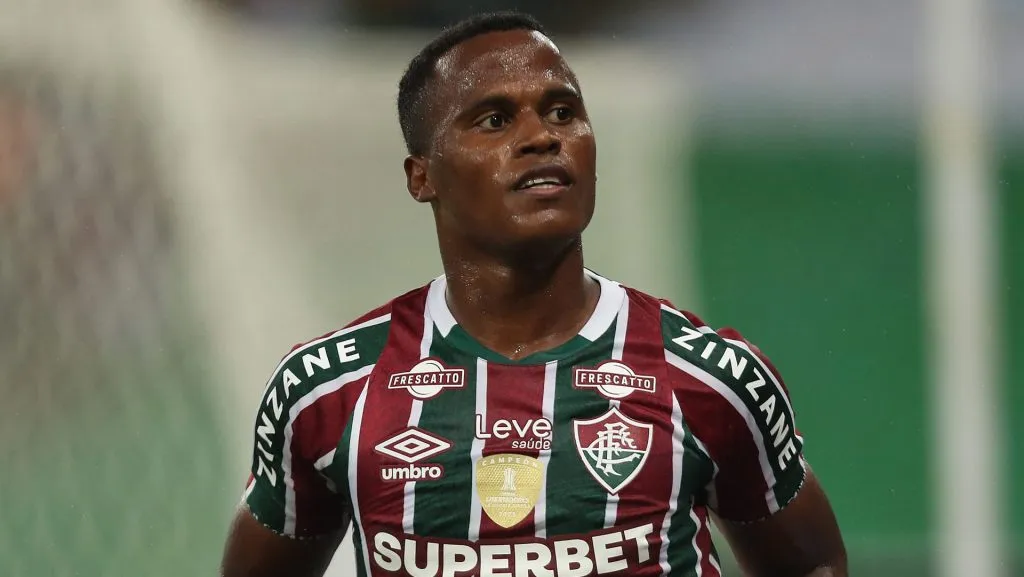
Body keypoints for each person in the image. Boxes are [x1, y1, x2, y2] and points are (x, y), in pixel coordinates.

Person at [220, 11, 847, 577]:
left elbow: (811, 562)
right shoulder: (328, 392)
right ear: (423, 175)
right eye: (495, 120)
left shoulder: (710, 377)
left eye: (562, 112)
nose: (543, 136)